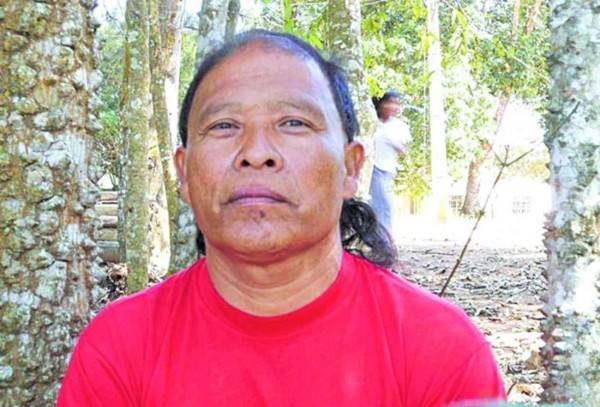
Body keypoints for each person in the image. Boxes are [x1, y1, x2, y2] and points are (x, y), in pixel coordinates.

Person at [57, 30, 506, 406]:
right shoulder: (120, 348)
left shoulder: (440, 350)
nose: (256, 153)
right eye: (224, 126)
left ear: (350, 167)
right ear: (184, 173)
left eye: (293, 123)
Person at [369, 91, 411, 237]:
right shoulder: (372, 122)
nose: (392, 106)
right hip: (373, 167)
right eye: (389, 102)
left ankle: (380, 238)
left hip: (388, 170)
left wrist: (393, 142)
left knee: (382, 205)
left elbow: (403, 151)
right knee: (383, 204)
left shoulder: (399, 126)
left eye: (396, 103)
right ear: (381, 104)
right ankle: (384, 240)